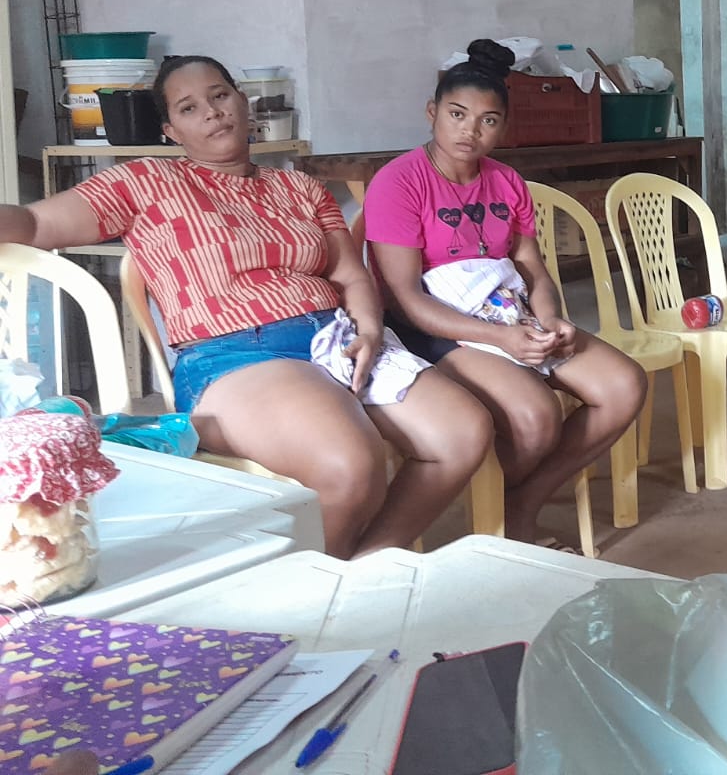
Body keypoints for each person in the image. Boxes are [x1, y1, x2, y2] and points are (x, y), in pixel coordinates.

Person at [0, 56, 495, 558]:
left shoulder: (300, 187)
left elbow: (350, 275)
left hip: (337, 339)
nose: (212, 112)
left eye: (220, 96)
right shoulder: (144, 183)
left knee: (462, 433)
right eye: (189, 108)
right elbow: (35, 224)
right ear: (171, 131)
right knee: (348, 465)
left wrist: (368, 331)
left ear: (242, 102)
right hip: (237, 357)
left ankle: (364, 566)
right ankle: (313, 589)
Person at [363, 40, 646, 545]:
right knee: (534, 417)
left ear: (503, 128)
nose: (470, 131)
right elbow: (405, 298)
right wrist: (501, 339)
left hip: (507, 312)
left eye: (488, 120)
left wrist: (549, 319)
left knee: (623, 385)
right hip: (432, 326)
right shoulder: (399, 183)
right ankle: (490, 514)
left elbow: (530, 266)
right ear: (432, 113)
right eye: (457, 114)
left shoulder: (506, 181)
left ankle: (522, 500)